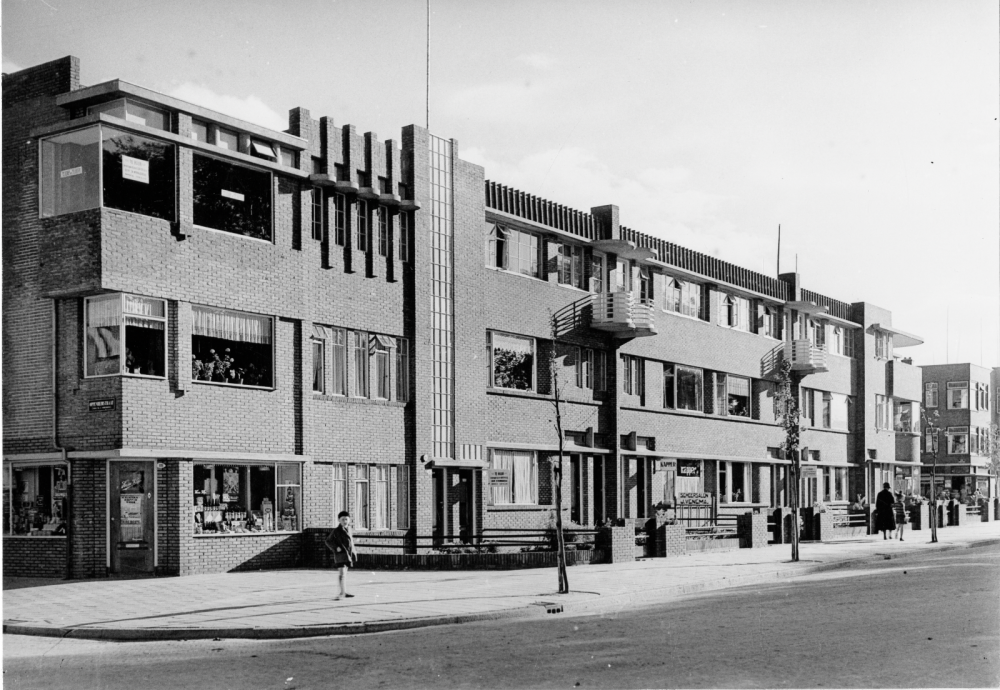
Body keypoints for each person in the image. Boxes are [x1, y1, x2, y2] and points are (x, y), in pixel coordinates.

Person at [325, 510, 356, 599]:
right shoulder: (336, 531)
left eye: (346, 519)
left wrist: (353, 551)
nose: (345, 521)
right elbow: (328, 541)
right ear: (339, 520)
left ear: (349, 520)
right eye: (342, 519)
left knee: (345, 573)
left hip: (348, 555)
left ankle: (344, 591)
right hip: (340, 554)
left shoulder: (349, 529)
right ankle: (342, 593)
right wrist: (335, 548)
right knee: (342, 573)